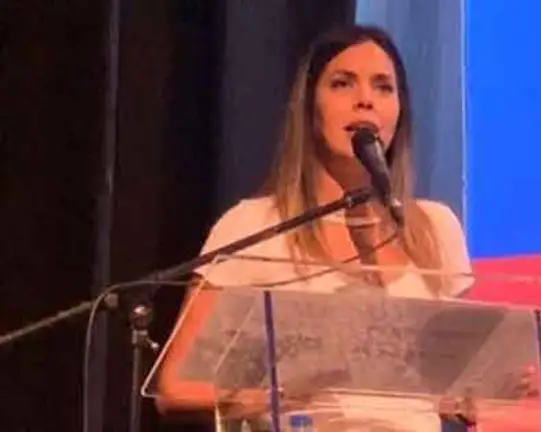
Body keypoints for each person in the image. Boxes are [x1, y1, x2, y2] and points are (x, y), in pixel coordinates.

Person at [155, 24, 478, 431]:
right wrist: (275, 395)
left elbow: (462, 384)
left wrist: (478, 393)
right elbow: (175, 388)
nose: (365, 100)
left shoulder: (435, 228)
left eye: (383, 87)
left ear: (400, 113)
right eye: (343, 84)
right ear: (310, 108)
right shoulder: (253, 225)